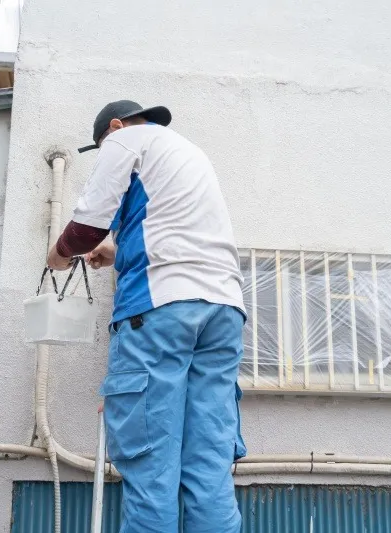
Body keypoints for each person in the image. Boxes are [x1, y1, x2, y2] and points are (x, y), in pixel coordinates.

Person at [47, 100, 248, 533]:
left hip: (160, 314)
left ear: (116, 127)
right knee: (208, 460)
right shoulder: (189, 153)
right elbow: (175, 239)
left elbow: (86, 225)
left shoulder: (124, 139)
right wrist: (116, 253)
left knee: (151, 465)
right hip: (224, 311)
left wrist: (59, 254)